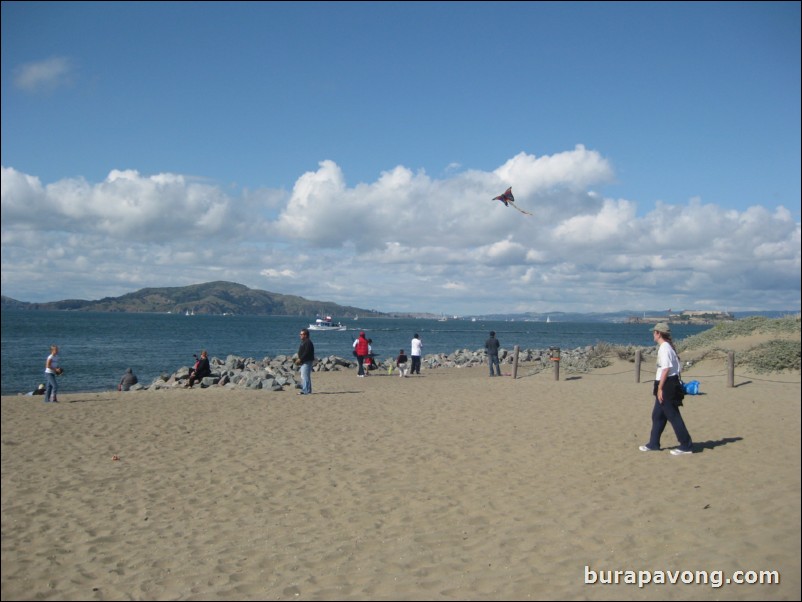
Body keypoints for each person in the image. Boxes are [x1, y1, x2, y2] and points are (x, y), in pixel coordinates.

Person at [640, 322, 694, 455]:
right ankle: (653, 443)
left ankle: (686, 445)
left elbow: (666, 369)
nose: (653, 334)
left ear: (658, 333)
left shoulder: (665, 348)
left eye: (654, 332)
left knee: (673, 415)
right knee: (657, 415)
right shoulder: (667, 347)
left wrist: (660, 388)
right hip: (667, 383)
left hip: (667, 385)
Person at [296, 328, 315, 395]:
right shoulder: (304, 342)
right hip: (304, 361)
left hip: (307, 361)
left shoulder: (308, 342)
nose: (300, 335)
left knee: (305, 376)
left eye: (301, 334)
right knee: (304, 376)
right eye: (300, 334)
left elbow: (306, 352)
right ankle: (306, 390)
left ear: (305, 335)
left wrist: (300, 359)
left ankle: (306, 391)